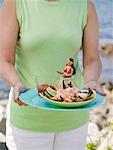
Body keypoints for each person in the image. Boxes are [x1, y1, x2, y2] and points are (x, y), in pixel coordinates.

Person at [0, 0, 106, 150]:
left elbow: (92, 59)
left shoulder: (85, 5)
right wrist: (16, 83)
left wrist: (91, 81)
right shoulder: (15, 3)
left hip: (73, 119)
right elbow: (4, 60)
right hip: (28, 119)